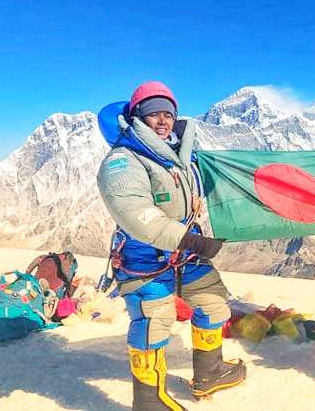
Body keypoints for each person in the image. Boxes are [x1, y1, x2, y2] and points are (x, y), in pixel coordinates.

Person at [97, 81, 245, 411]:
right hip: (143, 259)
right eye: (153, 114)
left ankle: (210, 373)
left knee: (213, 303)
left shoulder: (181, 155)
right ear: (137, 117)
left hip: (186, 255)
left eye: (168, 113)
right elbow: (136, 215)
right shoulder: (122, 161)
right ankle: (148, 402)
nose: (163, 120)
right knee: (153, 323)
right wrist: (192, 240)